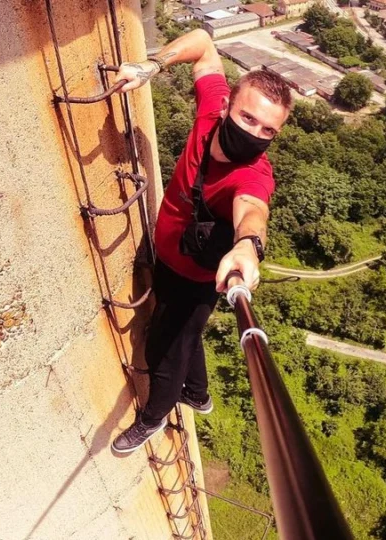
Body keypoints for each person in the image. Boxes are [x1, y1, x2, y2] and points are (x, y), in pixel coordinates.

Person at [110, 30, 292, 453]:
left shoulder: (252, 175)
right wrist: (151, 66)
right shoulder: (211, 111)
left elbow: (253, 210)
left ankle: (153, 418)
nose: (255, 133)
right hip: (169, 260)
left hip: (197, 280)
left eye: (268, 130)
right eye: (248, 118)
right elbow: (204, 44)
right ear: (227, 105)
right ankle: (198, 394)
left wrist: (248, 245)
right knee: (186, 336)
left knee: (164, 350)